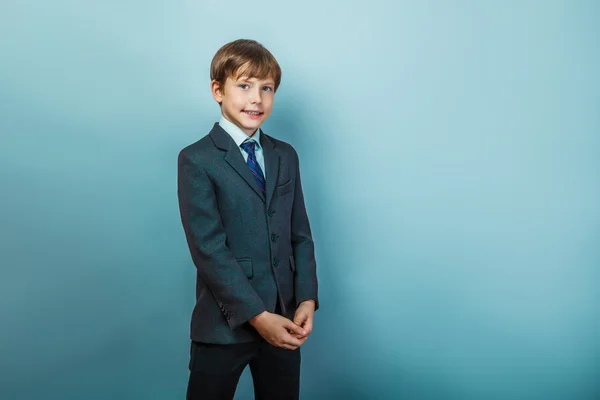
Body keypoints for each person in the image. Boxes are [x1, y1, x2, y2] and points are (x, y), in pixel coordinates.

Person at [177, 38, 319, 400]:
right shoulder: (197, 159)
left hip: (284, 317)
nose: (256, 99)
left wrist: (306, 298)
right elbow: (208, 249)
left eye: (266, 88)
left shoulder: (285, 155)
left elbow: (299, 234)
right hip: (224, 324)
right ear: (217, 91)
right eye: (244, 86)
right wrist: (257, 316)